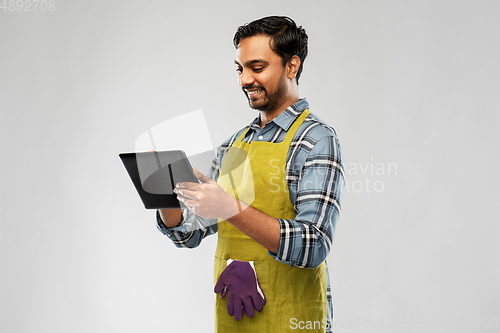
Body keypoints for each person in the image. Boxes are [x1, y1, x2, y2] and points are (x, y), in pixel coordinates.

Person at [157, 16, 344, 333]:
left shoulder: (316, 140)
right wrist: (162, 193)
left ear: (291, 67)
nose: (244, 79)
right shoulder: (233, 145)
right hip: (237, 322)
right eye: (239, 68)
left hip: (293, 320)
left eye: (256, 68)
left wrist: (229, 207)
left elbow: (314, 245)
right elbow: (190, 233)